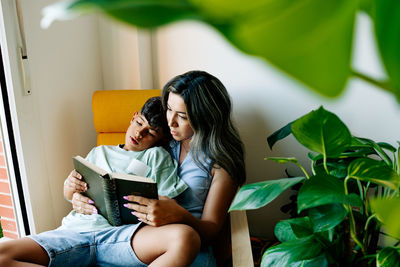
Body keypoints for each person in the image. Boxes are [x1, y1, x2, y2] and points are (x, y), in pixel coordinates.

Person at [1, 70, 246, 267]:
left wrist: (178, 214)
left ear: (206, 116)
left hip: (141, 237)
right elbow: (118, 158)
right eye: (169, 109)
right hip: (95, 228)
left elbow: (213, 230)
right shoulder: (163, 140)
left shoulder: (220, 163)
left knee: (183, 237)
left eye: (181, 115)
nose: (170, 121)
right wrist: (73, 193)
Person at [0, 96, 190, 266]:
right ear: (133, 117)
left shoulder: (156, 155)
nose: (140, 133)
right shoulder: (99, 152)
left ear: (161, 140)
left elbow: (170, 203)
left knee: (182, 238)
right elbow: (73, 194)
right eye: (139, 123)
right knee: (2, 255)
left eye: (151, 133)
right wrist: (71, 190)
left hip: (122, 237)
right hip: (75, 231)